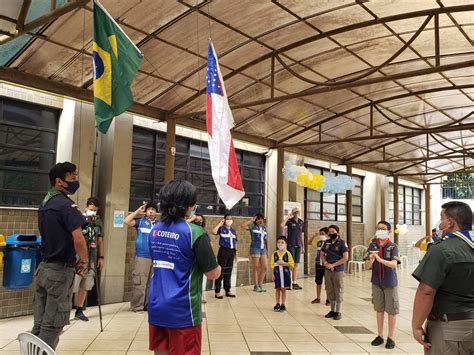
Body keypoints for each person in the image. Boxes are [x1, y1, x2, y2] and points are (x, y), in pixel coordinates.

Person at [148, 180, 221, 354]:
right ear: (187, 205)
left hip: (157, 305)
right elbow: (212, 274)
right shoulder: (195, 233)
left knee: (161, 352)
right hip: (183, 311)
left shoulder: (155, 230)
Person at [32, 162, 88, 349]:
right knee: (52, 325)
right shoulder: (65, 205)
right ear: (59, 181)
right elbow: (78, 238)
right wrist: (85, 260)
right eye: (72, 178)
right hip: (59, 272)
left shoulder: (45, 202)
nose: (75, 181)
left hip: (43, 269)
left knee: (40, 324)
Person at [412, 201, 474, 355]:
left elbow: (426, 291)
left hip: (451, 328)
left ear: (450, 223)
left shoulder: (442, 250)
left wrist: (416, 325)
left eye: (441, 218)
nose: (439, 223)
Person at [365, 221, 399, 350]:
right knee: (379, 309)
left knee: (391, 310)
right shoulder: (372, 245)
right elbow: (366, 266)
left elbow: (394, 264)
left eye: (383, 229)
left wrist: (380, 260)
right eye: (378, 228)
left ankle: (391, 338)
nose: (380, 230)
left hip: (389, 282)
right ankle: (379, 335)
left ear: (389, 231)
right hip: (376, 281)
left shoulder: (393, 246)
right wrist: (371, 260)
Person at [73, 197, 105, 321]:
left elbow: (100, 240)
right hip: (78, 257)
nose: (93, 212)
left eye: (95, 210)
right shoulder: (78, 219)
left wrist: (101, 257)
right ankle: (64, 311)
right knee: (73, 283)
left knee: (86, 284)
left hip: (92, 256)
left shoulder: (98, 222)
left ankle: (79, 310)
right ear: (86, 207)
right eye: (91, 210)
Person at [124, 201, 158, 312]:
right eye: (149, 209)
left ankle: (147, 305)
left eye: (153, 209)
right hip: (142, 256)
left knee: (151, 283)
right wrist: (138, 211)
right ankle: (137, 306)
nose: (151, 211)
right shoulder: (140, 221)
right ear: (146, 211)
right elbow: (126, 221)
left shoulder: (159, 224)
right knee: (139, 282)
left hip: (155, 257)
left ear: (156, 212)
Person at [320, 225, 348, 320]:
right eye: (329, 232)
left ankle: (338, 311)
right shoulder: (326, 242)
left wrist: (333, 265)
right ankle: (332, 310)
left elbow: (345, 258)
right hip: (328, 269)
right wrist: (325, 262)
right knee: (329, 289)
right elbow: (322, 253)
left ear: (337, 232)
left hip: (338, 270)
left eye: (333, 232)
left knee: (338, 289)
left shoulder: (342, 243)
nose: (331, 233)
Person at [212, 214, 237, 299]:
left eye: (230, 219)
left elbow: (235, 242)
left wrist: (236, 253)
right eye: (227, 219)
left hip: (232, 251)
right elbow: (213, 232)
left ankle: (227, 290)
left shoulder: (233, 231)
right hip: (223, 251)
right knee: (221, 271)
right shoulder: (221, 229)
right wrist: (220, 223)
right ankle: (217, 291)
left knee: (228, 271)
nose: (229, 220)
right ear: (224, 220)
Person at [242, 213, 269, 292]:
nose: (260, 220)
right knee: (256, 267)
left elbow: (266, 240)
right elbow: (243, 226)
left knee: (264, 267)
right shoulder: (252, 226)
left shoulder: (264, 228)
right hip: (255, 248)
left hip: (263, 249)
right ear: (255, 220)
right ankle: (255, 285)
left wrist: (267, 250)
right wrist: (251, 220)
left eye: (261, 219)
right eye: (258, 219)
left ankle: (260, 284)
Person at [281, 207, 304, 289]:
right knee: (290, 264)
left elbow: (301, 235)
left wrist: (303, 246)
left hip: (298, 245)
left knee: (296, 264)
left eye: (297, 212)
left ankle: (294, 283)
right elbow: (282, 225)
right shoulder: (290, 221)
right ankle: (287, 282)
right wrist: (288, 217)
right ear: (293, 213)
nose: (296, 214)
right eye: (294, 212)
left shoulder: (301, 222)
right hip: (291, 244)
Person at [271, 236, 294, 312]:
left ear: (285, 244)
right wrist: (272, 274)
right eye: (279, 242)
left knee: (283, 289)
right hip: (277, 274)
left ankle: (283, 304)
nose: (280, 244)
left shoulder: (288, 253)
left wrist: (284, 263)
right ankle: (277, 303)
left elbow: (292, 265)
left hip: (285, 274)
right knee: (277, 288)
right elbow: (272, 265)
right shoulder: (274, 254)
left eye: (282, 242)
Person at [309, 227, 330, 305]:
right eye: (320, 233)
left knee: (328, 282)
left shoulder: (329, 243)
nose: (321, 235)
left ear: (327, 234)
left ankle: (328, 299)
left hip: (326, 264)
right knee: (318, 281)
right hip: (318, 263)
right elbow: (309, 242)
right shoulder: (318, 242)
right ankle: (318, 298)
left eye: (323, 234)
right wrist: (314, 236)